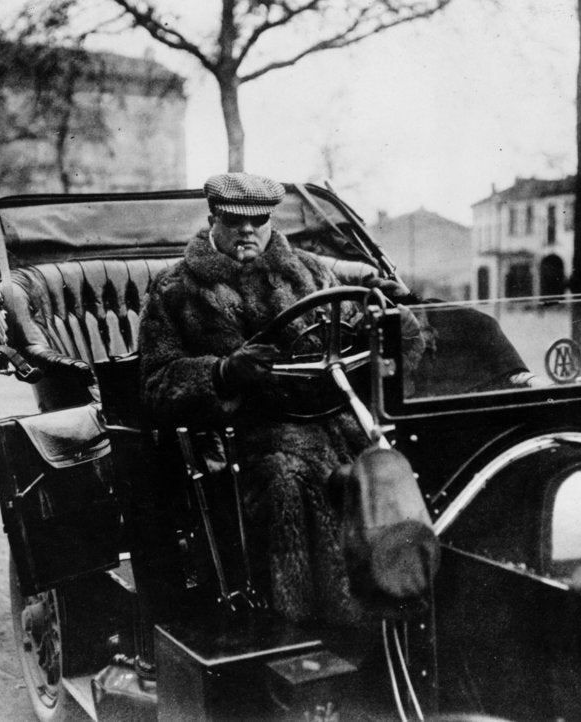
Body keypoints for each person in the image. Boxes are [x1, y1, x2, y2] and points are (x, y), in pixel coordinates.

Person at [139, 172, 393, 625]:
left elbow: (353, 335)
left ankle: (400, 596)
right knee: (291, 476)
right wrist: (221, 372)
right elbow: (157, 384)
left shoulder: (311, 273)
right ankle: (309, 622)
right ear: (213, 218)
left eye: (259, 220)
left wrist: (388, 324)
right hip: (240, 436)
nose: (248, 231)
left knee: (398, 459)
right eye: (235, 221)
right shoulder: (174, 289)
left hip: (336, 417)